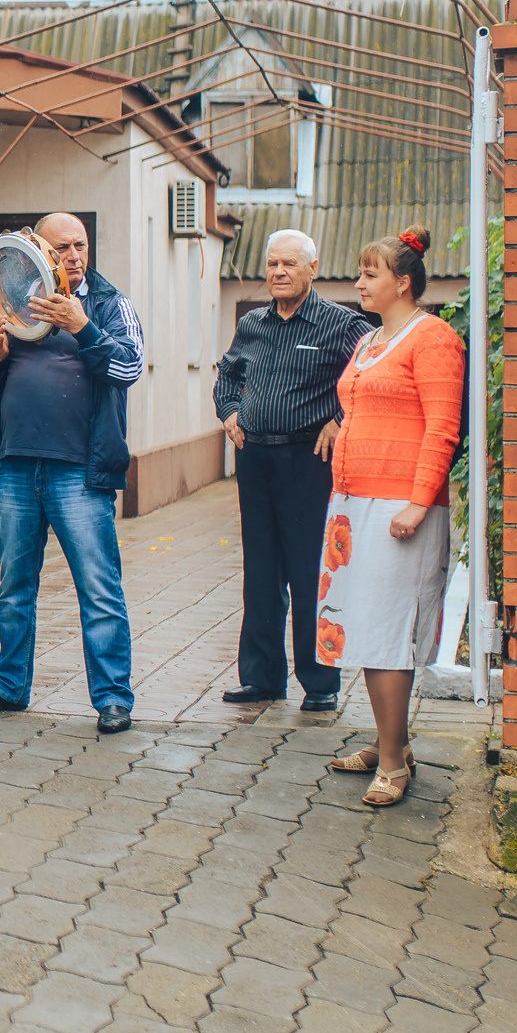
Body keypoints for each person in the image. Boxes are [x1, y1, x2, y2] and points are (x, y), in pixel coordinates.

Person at [0, 213, 144, 732]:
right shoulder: (11, 304)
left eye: (81, 245)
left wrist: (81, 327)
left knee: (99, 588)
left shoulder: (108, 305)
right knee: (14, 588)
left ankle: (111, 698)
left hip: (80, 473)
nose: (75, 256)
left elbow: (128, 368)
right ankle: (10, 686)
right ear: (40, 248)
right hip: (17, 466)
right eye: (63, 246)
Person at [317, 227, 464, 809]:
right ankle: (386, 741)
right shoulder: (371, 340)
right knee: (363, 626)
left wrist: (418, 501)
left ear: (402, 282)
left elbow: (443, 428)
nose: (358, 282)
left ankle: (396, 761)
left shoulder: (433, 339)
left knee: (388, 635)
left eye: (369, 273)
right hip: (355, 504)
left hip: (401, 507)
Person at [214, 229, 368, 713]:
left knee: (308, 574)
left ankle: (320, 683)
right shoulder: (253, 324)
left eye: (289, 265)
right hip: (255, 459)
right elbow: (229, 375)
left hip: (308, 462)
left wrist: (341, 421)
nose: (278, 272)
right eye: (272, 264)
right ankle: (261, 678)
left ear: (312, 269)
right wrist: (230, 410)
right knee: (260, 573)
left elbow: (372, 377)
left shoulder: (341, 324)